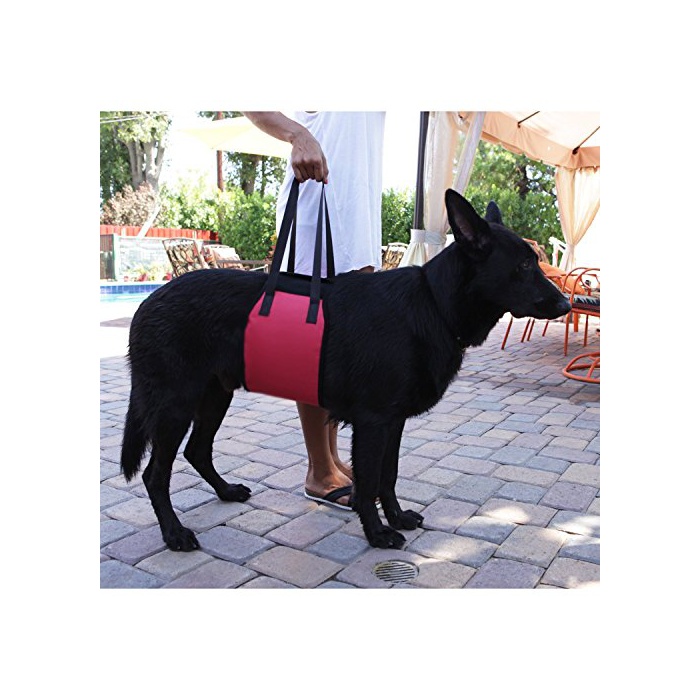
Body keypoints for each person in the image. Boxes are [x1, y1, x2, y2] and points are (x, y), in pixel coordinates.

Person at [243, 111, 385, 509]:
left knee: (341, 349)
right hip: (314, 198)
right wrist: (298, 134)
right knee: (313, 345)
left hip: (358, 207)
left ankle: (332, 458)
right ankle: (318, 469)